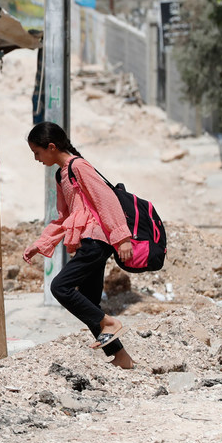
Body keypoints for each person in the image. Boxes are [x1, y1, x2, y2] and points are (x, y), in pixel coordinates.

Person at [22, 122, 135, 369]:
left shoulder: (78, 166)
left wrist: (122, 238)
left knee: (60, 287)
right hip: (88, 240)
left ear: (51, 147)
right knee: (88, 302)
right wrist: (39, 245)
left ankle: (110, 323)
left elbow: (106, 200)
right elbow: (63, 218)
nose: (36, 159)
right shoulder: (61, 174)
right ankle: (121, 358)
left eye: (37, 153)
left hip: (96, 240)